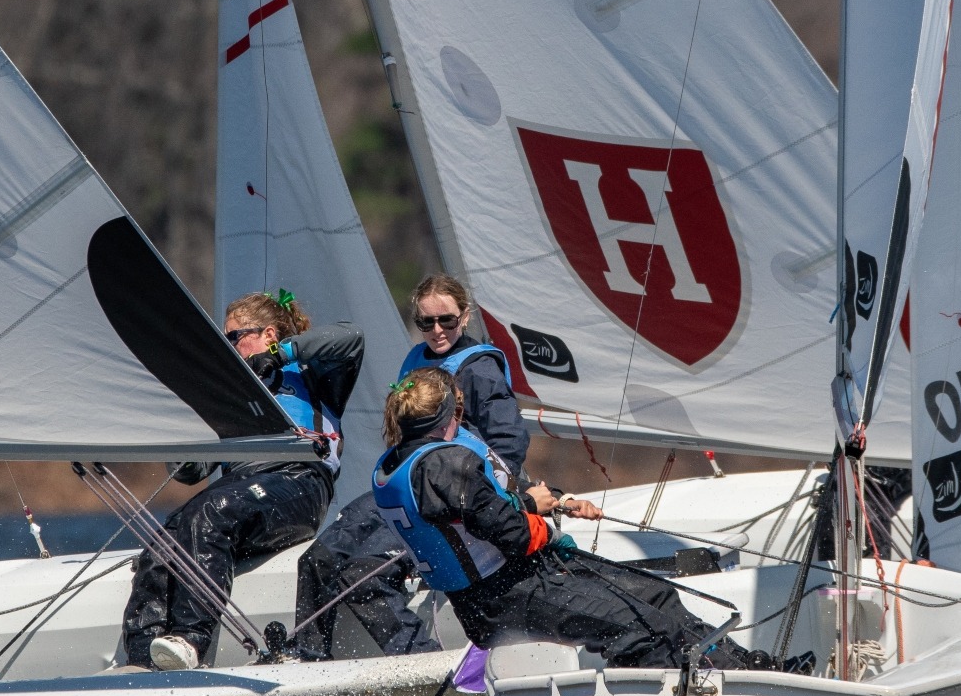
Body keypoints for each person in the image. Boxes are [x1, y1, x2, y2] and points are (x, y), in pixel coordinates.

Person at [371, 369, 772, 670]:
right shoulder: (446, 464)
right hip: (503, 595)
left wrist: (549, 504)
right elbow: (511, 533)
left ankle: (742, 670)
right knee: (642, 626)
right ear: (445, 417)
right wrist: (539, 517)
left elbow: (481, 514)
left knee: (656, 595)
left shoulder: (395, 466)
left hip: (515, 582)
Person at [120, 290, 363, 671]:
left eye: (233, 337)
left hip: (298, 482)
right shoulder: (229, 395)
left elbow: (352, 338)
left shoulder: (311, 374)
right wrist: (182, 427)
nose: (227, 346)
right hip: (243, 490)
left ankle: (191, 639)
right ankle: (141, 654)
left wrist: (280, 355)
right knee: (165, 539)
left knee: (210, 513)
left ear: (267, 334)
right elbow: (191, 473)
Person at [292, 274, 530, 660]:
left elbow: (509, 446)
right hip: (402, 488)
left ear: (464, 317)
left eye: (446, 321)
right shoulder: (415, 360)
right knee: (320, 556)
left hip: (446, 499)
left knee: (363, 574)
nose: (437, 331)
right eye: (426, 322)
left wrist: (485, 502)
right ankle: (307, 656)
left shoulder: (479, 369)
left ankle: (421, 657)